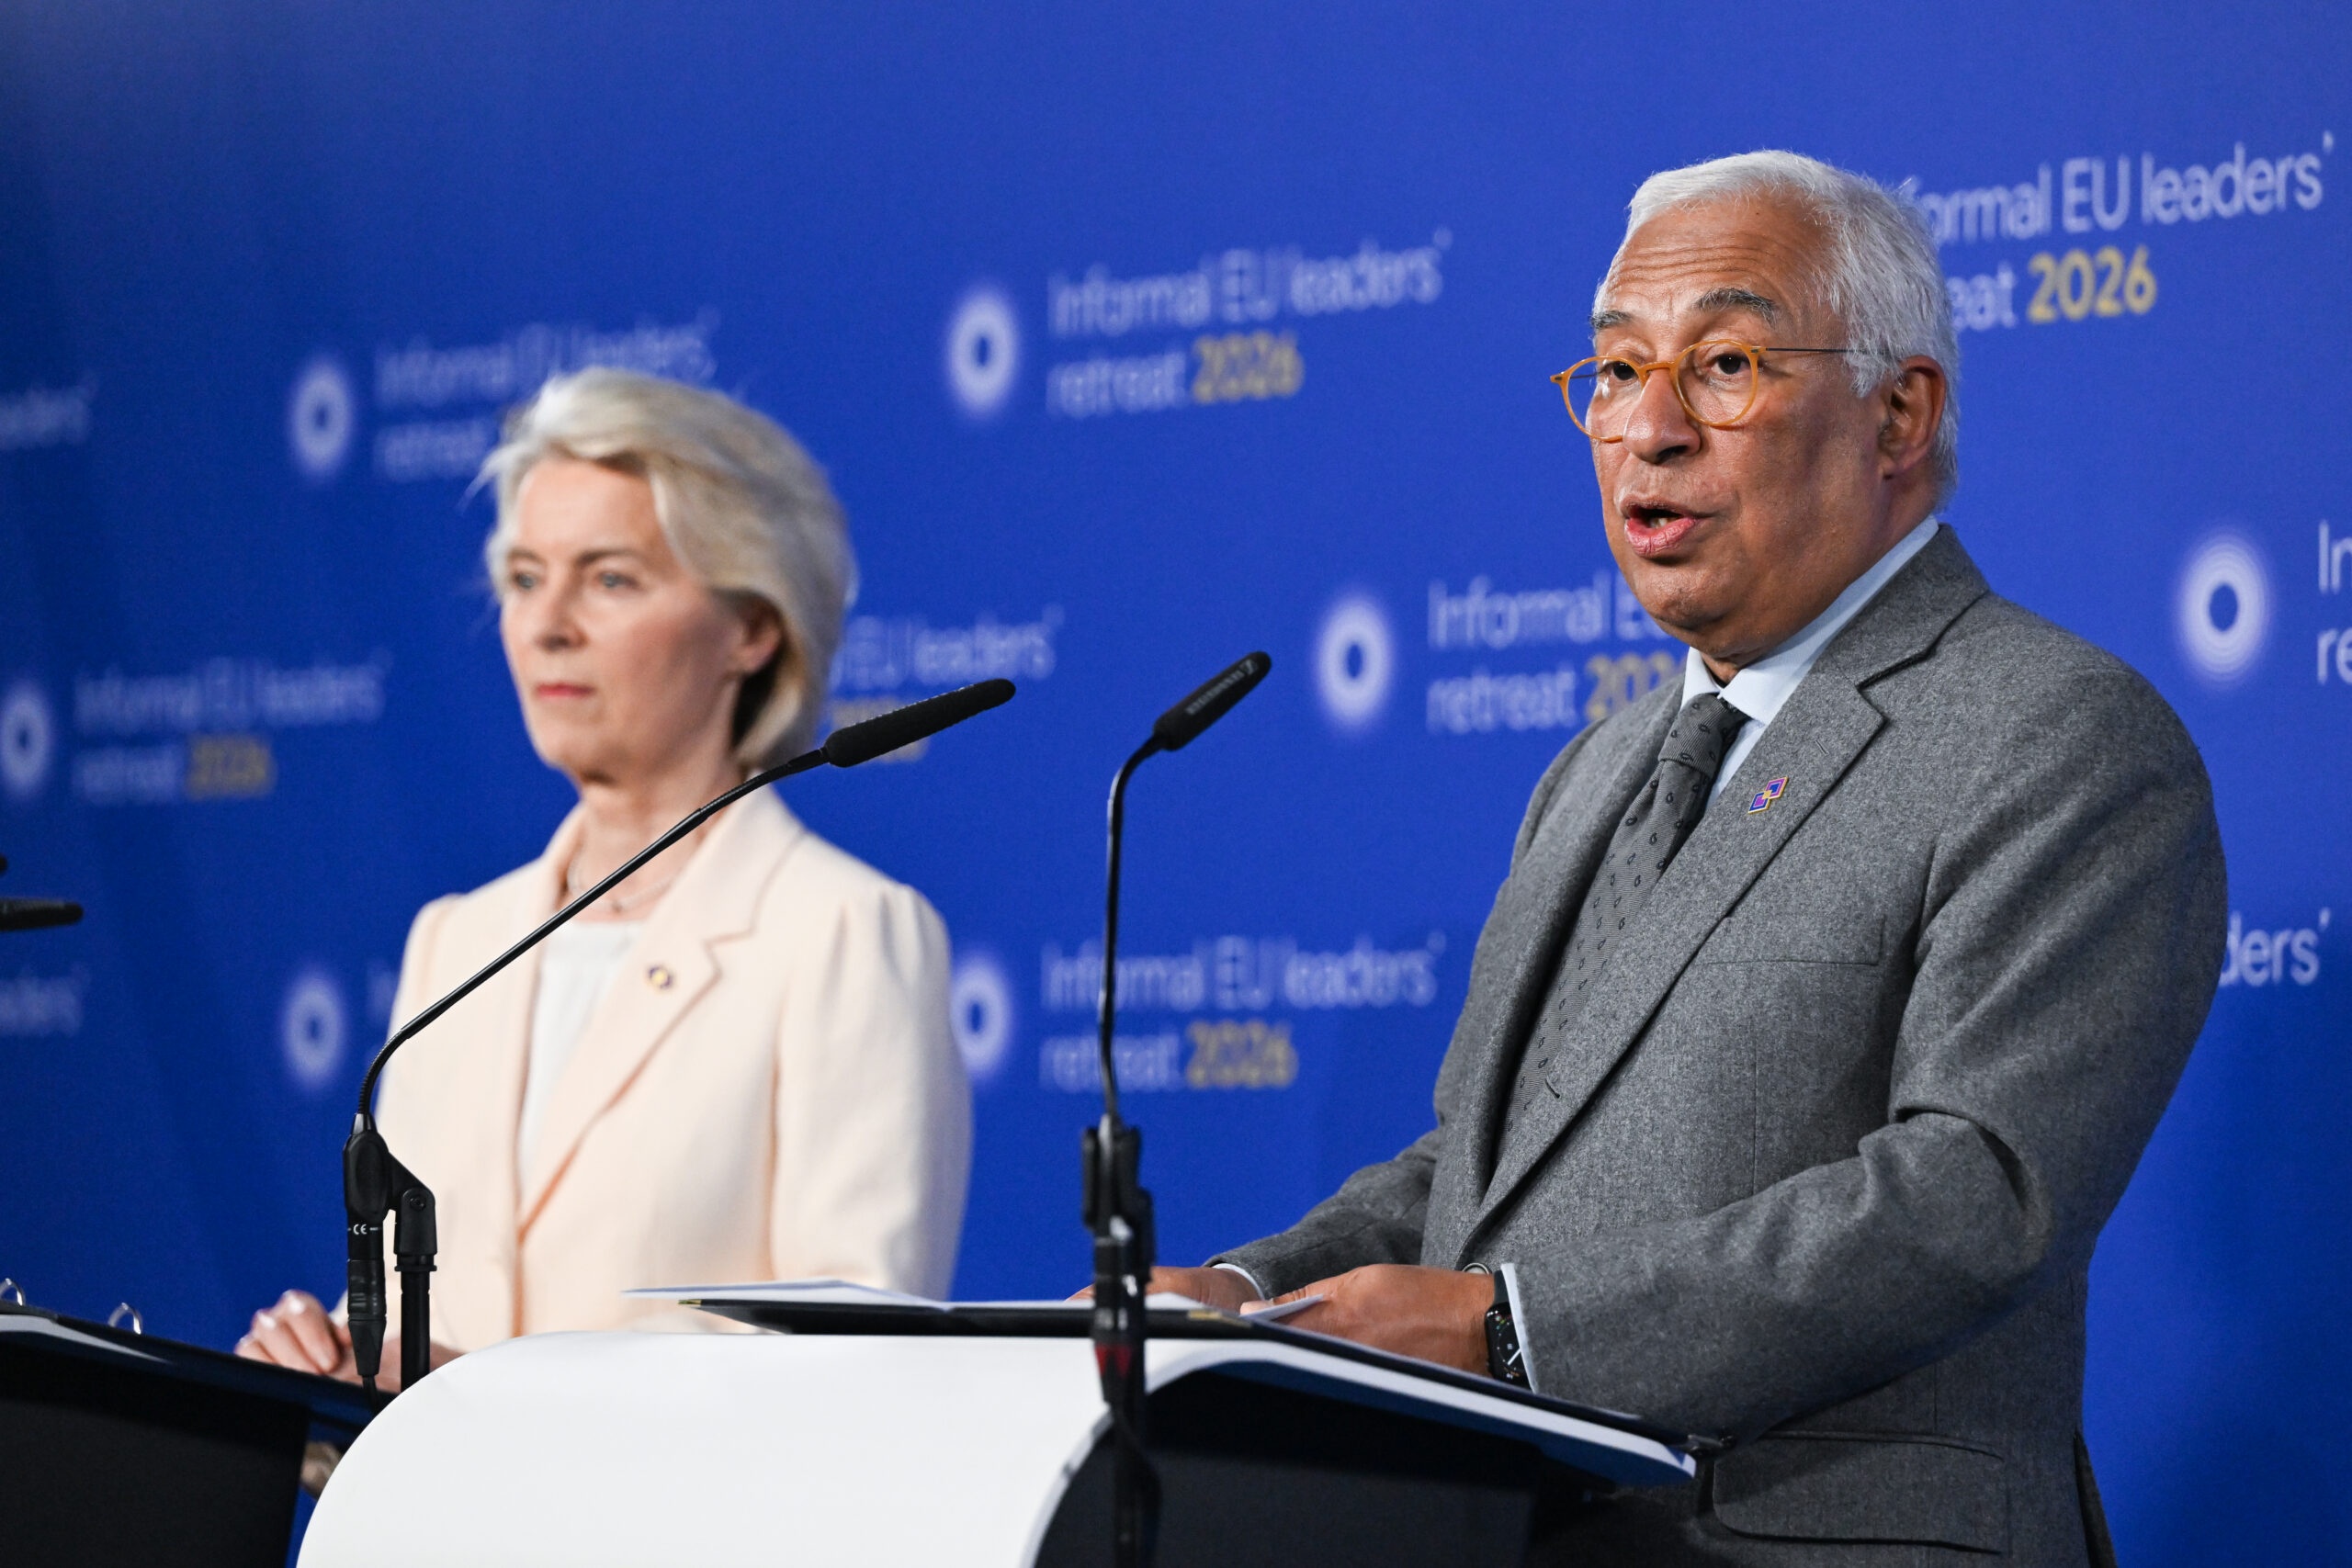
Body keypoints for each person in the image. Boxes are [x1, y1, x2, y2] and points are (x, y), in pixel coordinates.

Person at [1143, 152, 2225, 1563]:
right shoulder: (1596, 767)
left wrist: (1519, 1336)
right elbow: (1485, 1175)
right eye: (1614, 371)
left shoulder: (2054, 730)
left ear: (1899, 412)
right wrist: (1248, 1299)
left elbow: (1974, 1194)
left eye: (1723, 365)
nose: (1648, 430)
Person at [239, 368, 969, 1389]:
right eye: (524, 577)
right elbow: (412, 1334)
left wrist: (487, 1395)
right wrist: (324, 1374)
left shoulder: (843, 931)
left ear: (752, 627)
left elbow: (849, 1360)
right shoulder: (457, 939)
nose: (548, 624)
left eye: (610, 579)